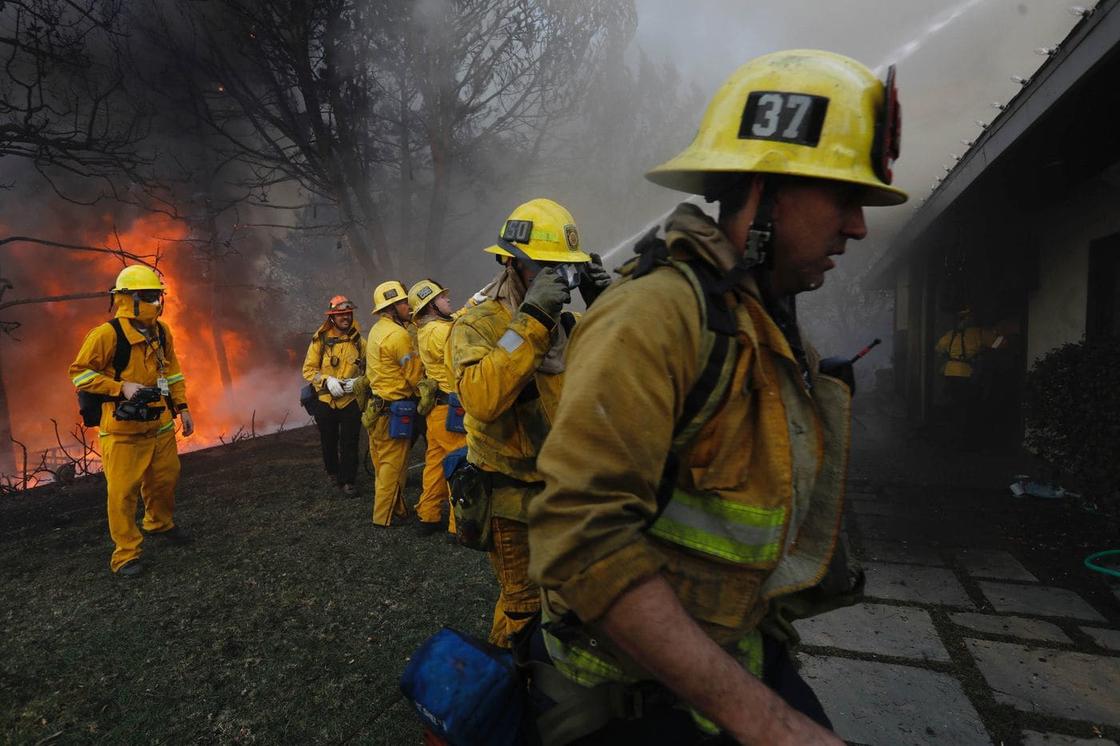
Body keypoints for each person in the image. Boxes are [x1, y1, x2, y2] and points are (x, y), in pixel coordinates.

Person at [526, 50, 907, 745]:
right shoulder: (654, 318)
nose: (857, 228)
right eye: (844, 198)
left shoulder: (763, 323)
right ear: (766, 189)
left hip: (732, 659)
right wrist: (770, 724)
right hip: (626, 701)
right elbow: (581, 542)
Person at [447, 197, 610, 648]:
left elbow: (618, 383)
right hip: (511, 498)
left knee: (571, 601)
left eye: (568, 270)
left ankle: (554, 687)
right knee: (523, 606)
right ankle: (509, 689)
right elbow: (481, 399)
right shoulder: (476, 324)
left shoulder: (570, 323)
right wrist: (534, 319)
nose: (560, 280)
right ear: (512, 263)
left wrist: (608, 309)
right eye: (548, 268)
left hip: (567, 492)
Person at [69, 265, 195, 577]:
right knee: (122, 492)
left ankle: (159, 524)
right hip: (123, 431)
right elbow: (80, 373)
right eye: (148, 295)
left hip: (160, 424)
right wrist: (120, 387)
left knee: (165, 480)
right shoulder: (107, 335)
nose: (155, 301)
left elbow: (173, 371)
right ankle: (126, 555)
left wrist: (182, 406)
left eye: (157, 295)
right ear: (128, 299)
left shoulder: (161, 331)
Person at [408, 279, 467, 537]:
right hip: (452, 412)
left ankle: (428, 516)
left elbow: (454, 322)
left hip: (437, 412)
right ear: (431, 305)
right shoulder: (439, 332)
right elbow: (461, 336)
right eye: (442, 298)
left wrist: (471, 305)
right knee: (461, 466)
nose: (448, 299)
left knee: (435, 464)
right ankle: (459, 526)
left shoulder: (429, 329)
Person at [366, 280, 422, 526]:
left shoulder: (377, 330)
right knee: (392, 466)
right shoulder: (398, 335)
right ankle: (382, 518)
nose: (407, 306)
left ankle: (398, 509)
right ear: (391, 308)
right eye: (402, 303)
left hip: (376, 408)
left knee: (382, 463)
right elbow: (413, 375)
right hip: (394, 410)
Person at [302, 295, 365, 495]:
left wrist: (359, 382)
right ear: (332, 317)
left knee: (350, 441)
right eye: (340, 314)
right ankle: (332, 472)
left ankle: (348, 481)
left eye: (348, 313)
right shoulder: (319, 340)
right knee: (328, 441)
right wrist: (327, 381)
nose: (345, 317)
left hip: (350, 399)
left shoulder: (359, 341)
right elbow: (308, 370)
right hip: (325, 400)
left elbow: (371, 368)